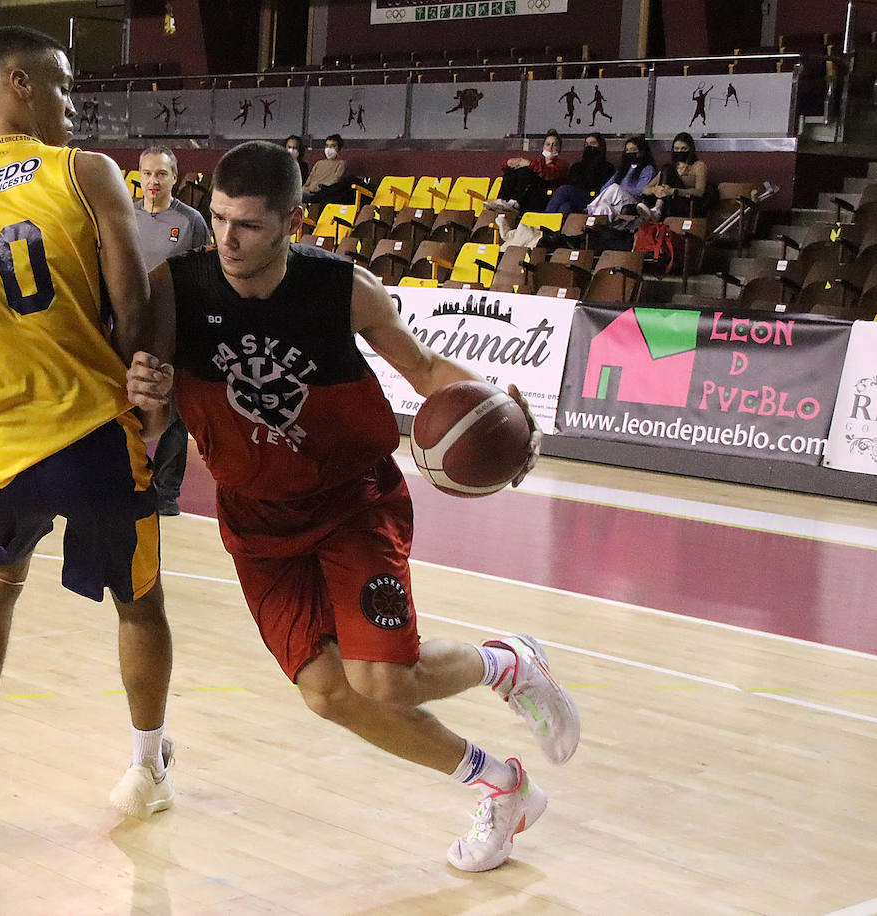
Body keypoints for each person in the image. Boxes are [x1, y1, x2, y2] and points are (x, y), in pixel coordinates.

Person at [131, 141, 579, 872]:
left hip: (351, 502)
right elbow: (153, 421)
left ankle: (509, 662)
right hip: (256, 518)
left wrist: (506, 413)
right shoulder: (175, 288)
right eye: (217, 219)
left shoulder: (342, 287)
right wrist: (146, 402)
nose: (228, 240)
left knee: (383, 679)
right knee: (330, 695)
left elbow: (425, 368)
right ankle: (501, 786)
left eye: (247, 224)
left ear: (291, 222)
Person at [0, 26, 177, 837]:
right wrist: (139, 374)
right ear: (18, 82)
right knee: (138, 602)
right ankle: (144, 768)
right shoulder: (83, 171)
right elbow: (132, 305)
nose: (71, 102)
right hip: (92, 430)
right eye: (61, 86)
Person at [135, 145, 209, 516]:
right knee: (122, 401)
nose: (153, 181)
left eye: (161, 174)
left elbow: (202, 274)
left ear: (174, 179)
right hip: (131, 322)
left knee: (174, 408)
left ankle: (166, 491)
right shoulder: (124, 215)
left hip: (175, 326)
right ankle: (124, 477)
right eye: (147, 173)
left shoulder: (192, 220)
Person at [484, 129, 569, 217]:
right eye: (547, 144)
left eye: (554, 145)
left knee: (526, 169)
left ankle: (514, 203)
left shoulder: (563, 164)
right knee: (514, 169)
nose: (550, 148)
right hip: (530, 196)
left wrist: (529, 164)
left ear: (559, 149)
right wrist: (510, 163)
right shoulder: (538, 162)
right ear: (543, 146)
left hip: (544, 199)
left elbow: (549, 173)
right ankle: (502, 200)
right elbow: (512, 165)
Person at [638, 132, 710, 222]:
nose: (679, 151)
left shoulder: (699, 165)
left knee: (667, 168)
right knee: (667, 168)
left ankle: (657, 209)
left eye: (683, 149)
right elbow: (645, 189)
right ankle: (657, 208)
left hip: (686, 203)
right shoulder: (671, 168)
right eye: (676, 148)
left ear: (690, 149)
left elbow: (699, 192)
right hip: (668, 203)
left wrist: (674, 191)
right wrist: (656, 190)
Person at [584, 133, 657, 220]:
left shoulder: (647, 169)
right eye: (627, 150)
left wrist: (620, 191)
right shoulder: (623, 169)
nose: (630, 153)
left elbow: (640, 191)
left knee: (615, 188)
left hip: (634, 203)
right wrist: (616, 194)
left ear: (641, 151)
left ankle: (589, 209)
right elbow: (604, 188)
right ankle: (598, 231)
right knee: (602, 207)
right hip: (618, 203)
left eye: (633, 150)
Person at [545, 132, 614, 215]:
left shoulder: (608, 167)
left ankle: (545, 219)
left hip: (595, 201)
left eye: (592, 144)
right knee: (566, 207)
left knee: (565, 189)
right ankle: (550, 227)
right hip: (577, 200)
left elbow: (603, 189)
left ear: (600, 146)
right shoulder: (577, 166)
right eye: (587, 144)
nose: (589, 147)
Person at [302, 133, 348, 204]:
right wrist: (305, 188)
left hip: (324, 193)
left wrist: (319, 187)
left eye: (333, 146)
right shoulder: (319, 163)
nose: (329, 149)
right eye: (327, 146)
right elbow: (310, 178)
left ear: (339, 149)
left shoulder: (341, 163)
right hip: (309, 191)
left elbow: (335, 179)